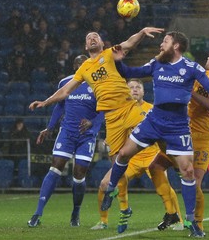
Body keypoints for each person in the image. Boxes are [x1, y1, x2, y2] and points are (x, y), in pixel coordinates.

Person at [28, 27, 163, 225]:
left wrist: (142, 32)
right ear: (85, 45)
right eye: (88, 37)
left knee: (157, 128)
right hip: (112, 119)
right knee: (119, 158)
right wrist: (45, 102)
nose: (92, 38)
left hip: (128, 107)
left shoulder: (109, 54)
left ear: (101, 43)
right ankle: (114, 193)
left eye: (96, 37)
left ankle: (174, 159)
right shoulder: (83, 70)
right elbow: (65, 92)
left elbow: (129, 43)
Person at [101, 31, 209, 237]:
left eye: (164, 41)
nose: (160, 44)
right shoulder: (156, 64)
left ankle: (191, 221)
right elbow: (131, 71)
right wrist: (119, 62)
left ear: (175, 46)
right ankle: (111, 188)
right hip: (154, 120)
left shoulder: (191, 68)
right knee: (123, 154)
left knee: (188, 172)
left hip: (177, 127)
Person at [147, 47, 209, 232]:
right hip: (181, 132)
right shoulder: (202, 73)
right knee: (155, 167)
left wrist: (189, 91)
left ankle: (197, 224)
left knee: (194, 182)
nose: (208, 57)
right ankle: (172, 213)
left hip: (202, 136)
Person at [91, 78, 183, 233]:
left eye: (138, 87)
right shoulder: (121, 111)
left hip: (152, 156)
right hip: (132, 160)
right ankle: (103, 221)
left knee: (166, 188)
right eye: (131, 87)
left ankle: (178, 220)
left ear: (143, 91)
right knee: (104, 184)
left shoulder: (153, 109)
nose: (134, 90)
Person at [27, 55, 104, 228]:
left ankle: (76, 212)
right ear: (75, 67)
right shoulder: (66, 83)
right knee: (55, 168)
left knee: (78, 174)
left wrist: (92, 123)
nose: (81, 67)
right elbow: (59, 105)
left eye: (84, 64)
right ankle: (37, 213)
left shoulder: (98, 84)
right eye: (78, 65)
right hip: (67, 133)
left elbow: (104, 110)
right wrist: (50, 127)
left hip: (87, 135)